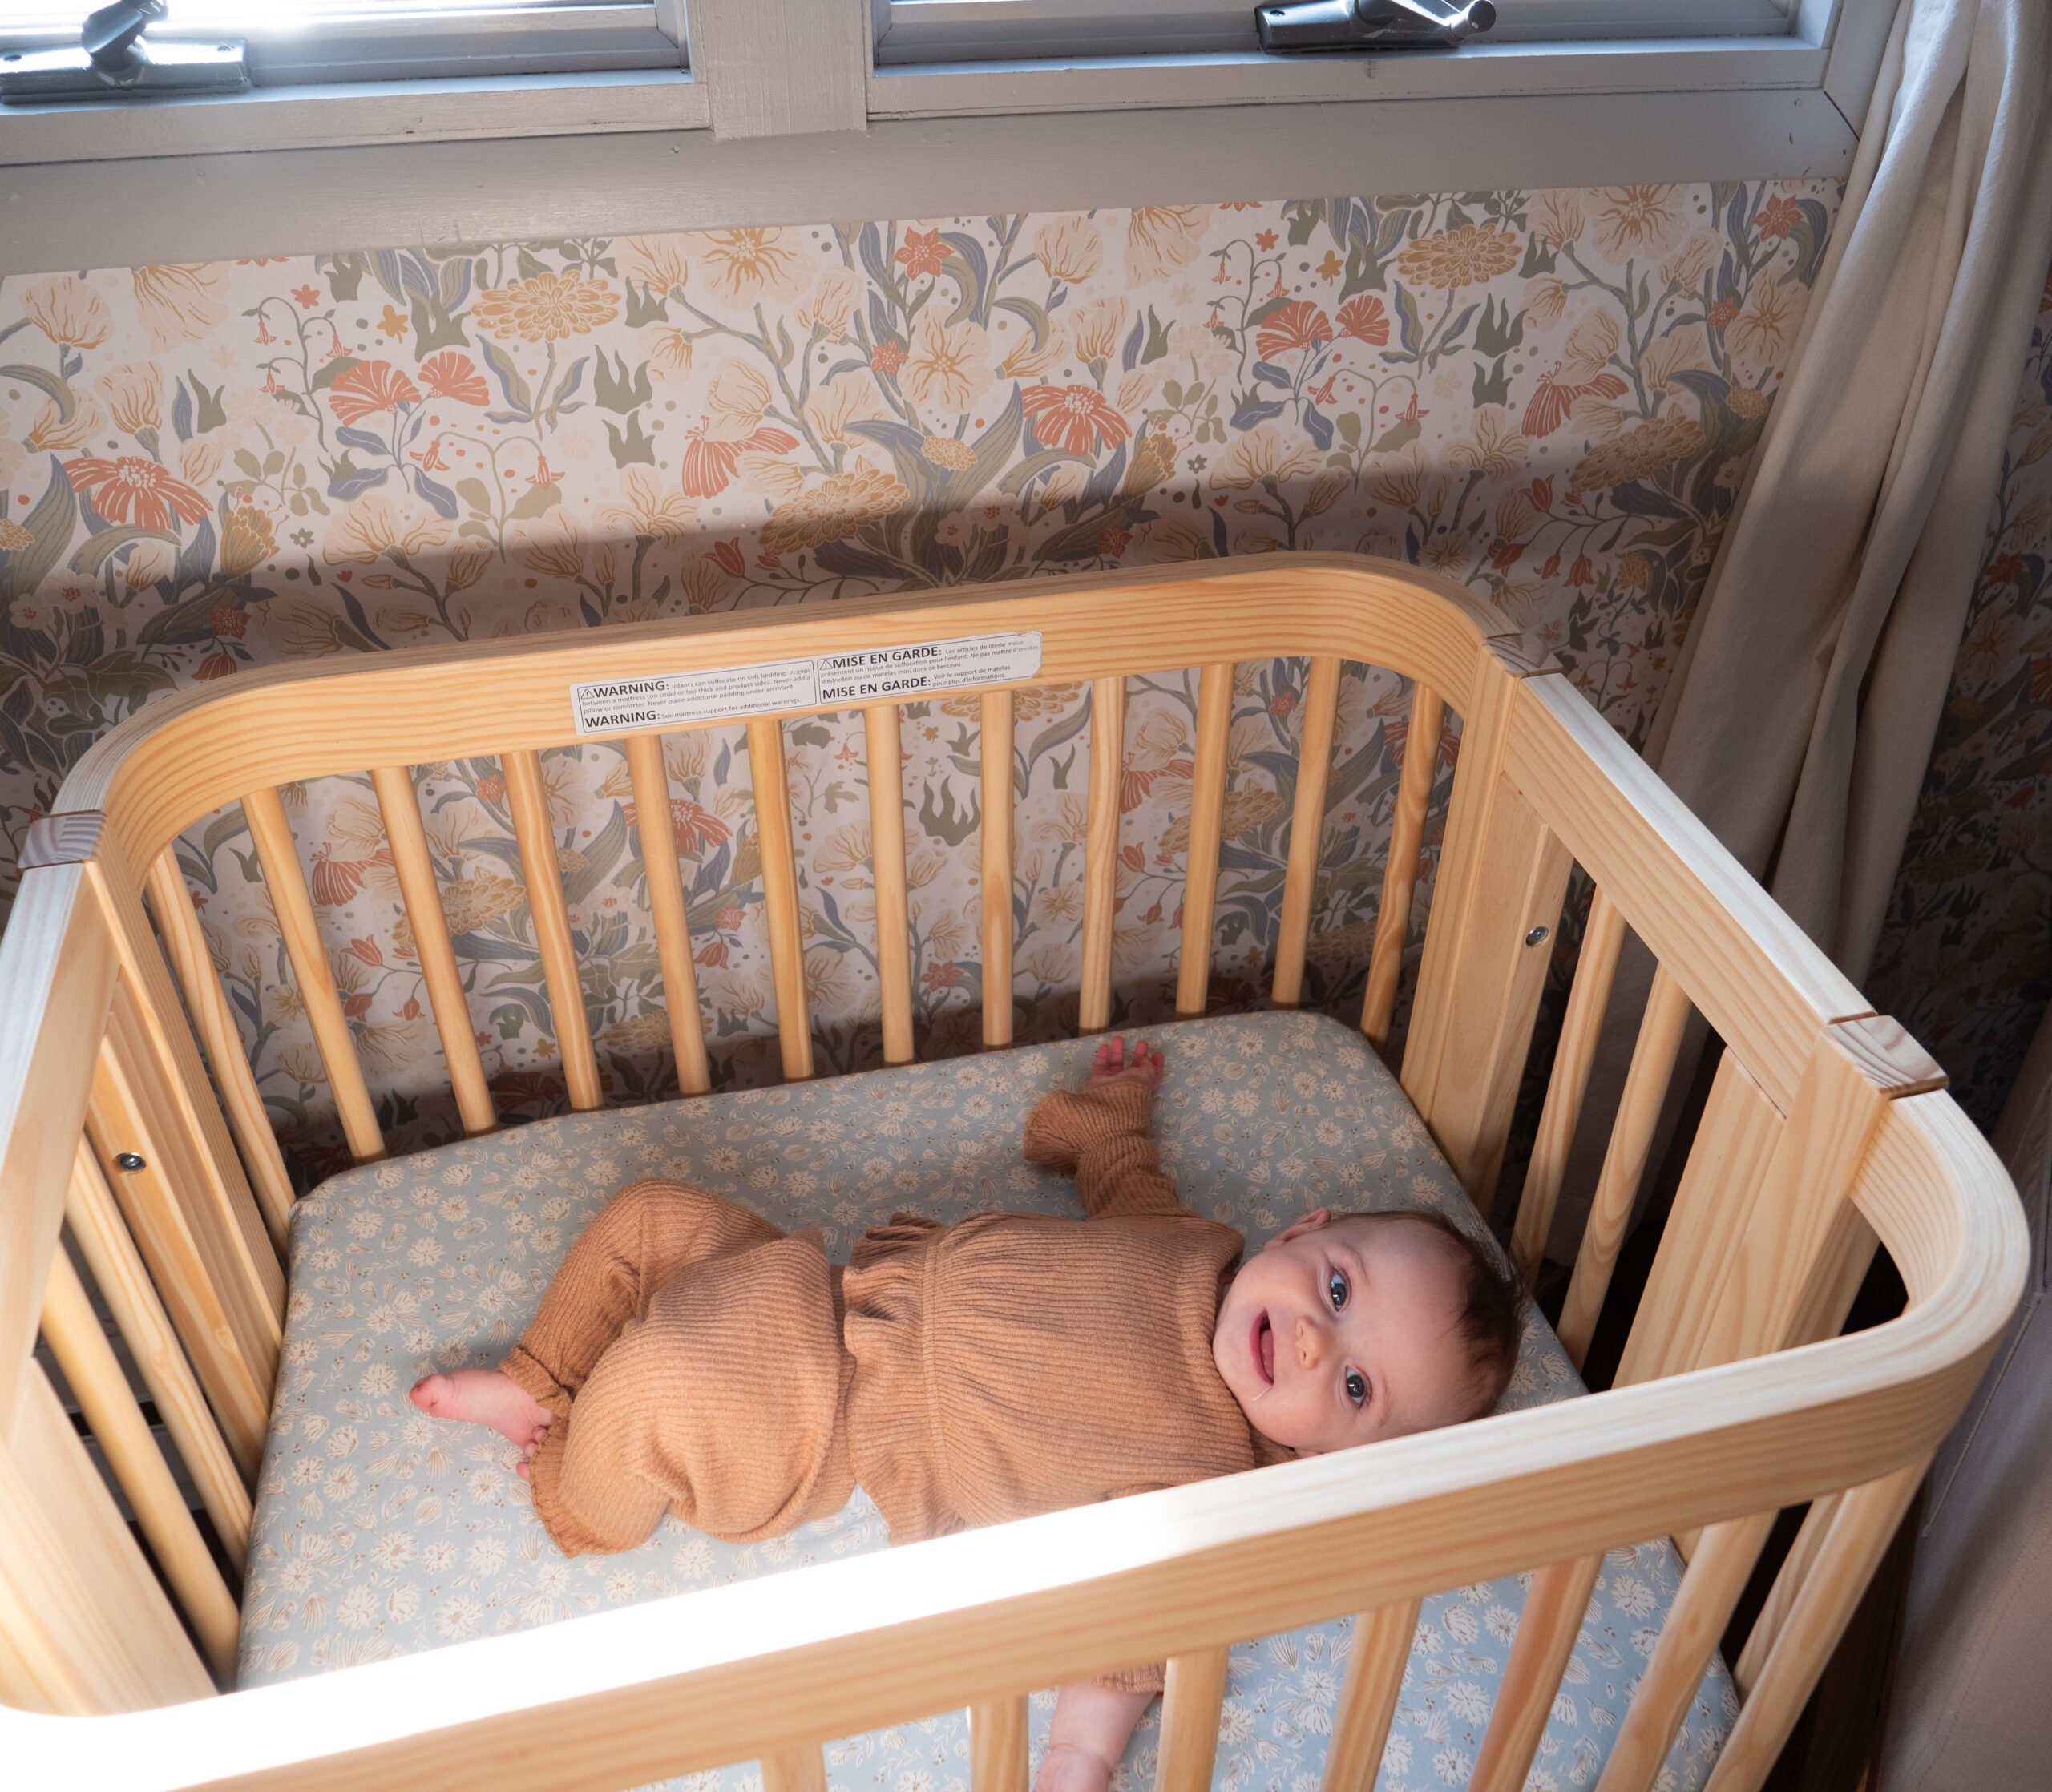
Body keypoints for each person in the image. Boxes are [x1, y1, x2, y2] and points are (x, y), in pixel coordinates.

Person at [413, 1037, 1523, 1792]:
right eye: (1338, 1289)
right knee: (652, 1213)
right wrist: (1110, 1116)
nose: (1323, 1344)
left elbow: (1135, 1641)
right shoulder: (1198, 1247)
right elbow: (1123, 1179)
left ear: (1346, 1454)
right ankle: (538, 1378)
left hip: (816, 1420)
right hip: (818, 1282)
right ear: (1301, 1231)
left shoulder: (1212, 1482)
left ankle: (578, 1495)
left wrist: (1079, 1763)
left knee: (658, 1388)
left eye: (1358, 1390)